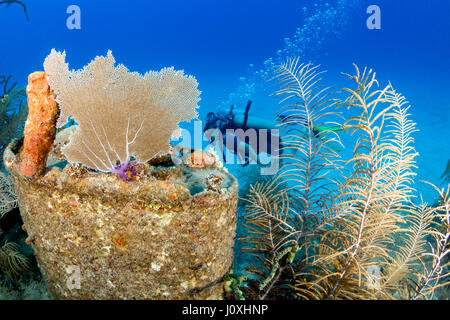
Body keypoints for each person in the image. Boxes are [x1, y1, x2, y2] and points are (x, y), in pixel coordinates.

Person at [203, 101, 343, 166]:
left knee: (288, 155)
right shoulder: (227, 132)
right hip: (265, 140)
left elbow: (246, 148)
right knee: (284, 156)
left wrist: (260, 163)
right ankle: (310, 128)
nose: (212, 141)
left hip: (265, 141)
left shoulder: (225, 137)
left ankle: (306, 126)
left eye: (210, 137)